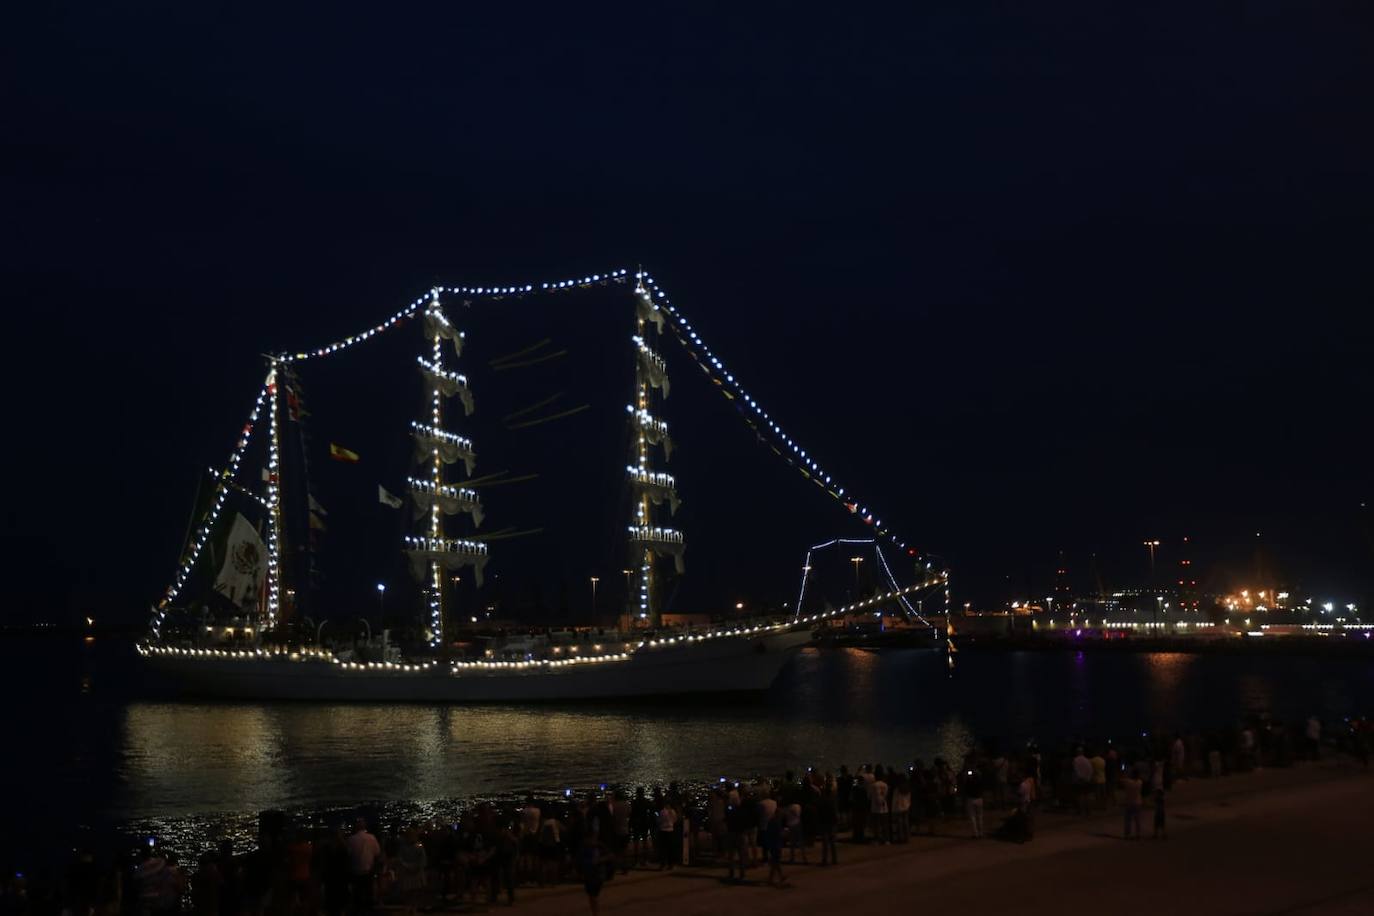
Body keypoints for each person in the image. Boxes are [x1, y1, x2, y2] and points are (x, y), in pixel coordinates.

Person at [345, 820, 381, 914]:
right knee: (368, 892)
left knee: (357, 893)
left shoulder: (351, 839)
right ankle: (368, 910)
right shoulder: (372, 838)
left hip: (355, 871)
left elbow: (348, 855)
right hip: (369, 870)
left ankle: (358, 910)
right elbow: (377, 853)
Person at [577, 834, 606, 915]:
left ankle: (595, 913)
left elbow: (609, 856)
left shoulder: (598, 847)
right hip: (590, 874)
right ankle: (595, 913)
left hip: (595, 875)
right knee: (592, 896)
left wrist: (599, 860)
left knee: (593, 896)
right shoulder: (585, 849)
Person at [763, 808, 787, 888]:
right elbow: (779, 834)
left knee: (775, 862)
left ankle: (777, 876)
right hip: (776, 844)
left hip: (772, 844)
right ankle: (773, 878)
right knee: (775, 862)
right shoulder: (776, 822)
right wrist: (785, 833)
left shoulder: (771, 821)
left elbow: (768, 833)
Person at [817, 779, 838, 866]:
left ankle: (825, 860)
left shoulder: (822, 800)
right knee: (832, 842)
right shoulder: (833, 800)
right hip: (831, 822)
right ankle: (834, 859)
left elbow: (820, 812)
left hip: (824, 822)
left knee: (825, 843)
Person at [960, 765, 985, 839]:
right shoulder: (980, 781)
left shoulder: (969, 781)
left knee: (972, 817)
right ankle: (981, 833)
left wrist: (967, 778)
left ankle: (975, 833)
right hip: (979, 799)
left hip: (971, 799)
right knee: (980, 816)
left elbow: (965, 788)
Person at [1120, 769, 1143, 840]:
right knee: (1137, 820)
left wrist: (1123, 773)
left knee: (1128, 819)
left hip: (1129, 802)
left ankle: (1127, 834)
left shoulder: (1128, 782)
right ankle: (1138, 834)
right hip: (1138, 802)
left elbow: (1121, 780)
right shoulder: (1140, 782)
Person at [656, 798, 678, 871]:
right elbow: (675, 820)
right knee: (670, 849)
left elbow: (658, 821)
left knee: (663, 849)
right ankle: (670, 864)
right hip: (671, 830)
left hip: (662, 831)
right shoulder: (673, 811)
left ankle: (662, 864)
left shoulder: (662, 812)